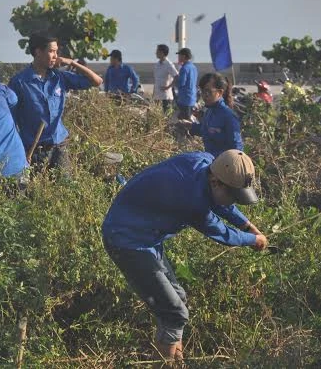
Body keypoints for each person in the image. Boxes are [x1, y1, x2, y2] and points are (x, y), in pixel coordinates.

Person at [102, 150, 268, 361]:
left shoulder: (207, 162)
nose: (231, 202)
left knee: (178, 298)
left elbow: (222, 203)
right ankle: (164, 364)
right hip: (126, 239)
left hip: (146, 235)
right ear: (216, 183)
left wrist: (248, 226)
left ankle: (175, 360)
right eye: (232, 196)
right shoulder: (192, 200)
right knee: (174, 313)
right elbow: (221, 232)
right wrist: (254, 240)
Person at [8, 34, 103, 173]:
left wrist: (72, 63)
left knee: (65, 186)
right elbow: (11, 120)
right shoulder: (19, 82)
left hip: (59, 145)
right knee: (36, 191)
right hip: (35, 150)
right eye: (51, 51)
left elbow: (97, 81)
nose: (55, 56)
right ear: (38, 52)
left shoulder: (59, 77)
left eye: (56, 52)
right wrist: (18, 151)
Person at [179, 73, 243, 157]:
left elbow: (237, 150)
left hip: (223, 165)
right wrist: (190, 126)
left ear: (219, 92)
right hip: (210, 161)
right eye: (202, 91)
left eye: (208, 91)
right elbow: (206, 130)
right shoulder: (209, 112)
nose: (204, 96)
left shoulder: (228, 116)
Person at [152, 44, 178, 112]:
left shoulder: (168, 64)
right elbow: (156, 80)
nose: (156, 53)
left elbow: (176, 76)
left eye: (157, 51)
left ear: (162, 52)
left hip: (166, 97)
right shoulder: (157, 64)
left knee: (166, 117)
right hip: (157, 96)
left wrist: (168, 87)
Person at [175, 48, 198, 120]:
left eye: (179, 55)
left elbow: (181, 83)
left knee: (184, 122)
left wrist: (175, 81)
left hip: (184, 99)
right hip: (192, 98)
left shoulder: (184, 68)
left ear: (184, 56)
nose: (178, 57)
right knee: (189, 119)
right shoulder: (193, 67)